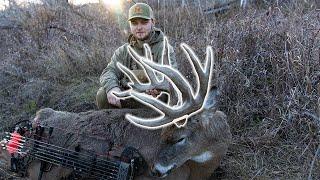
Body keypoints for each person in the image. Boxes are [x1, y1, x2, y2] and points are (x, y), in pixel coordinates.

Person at [96, 2, 177, 109]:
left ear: (153, 22)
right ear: (129, 25)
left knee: (164, 96)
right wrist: (113, 88)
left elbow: (171, 78)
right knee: (102, 95)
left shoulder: (164, 49)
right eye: (134, 23)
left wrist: (157, 87)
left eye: (144, 22)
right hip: (129, 96)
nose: (139, 27)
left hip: (153, 99)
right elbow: (109, 71)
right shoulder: (123, 51)